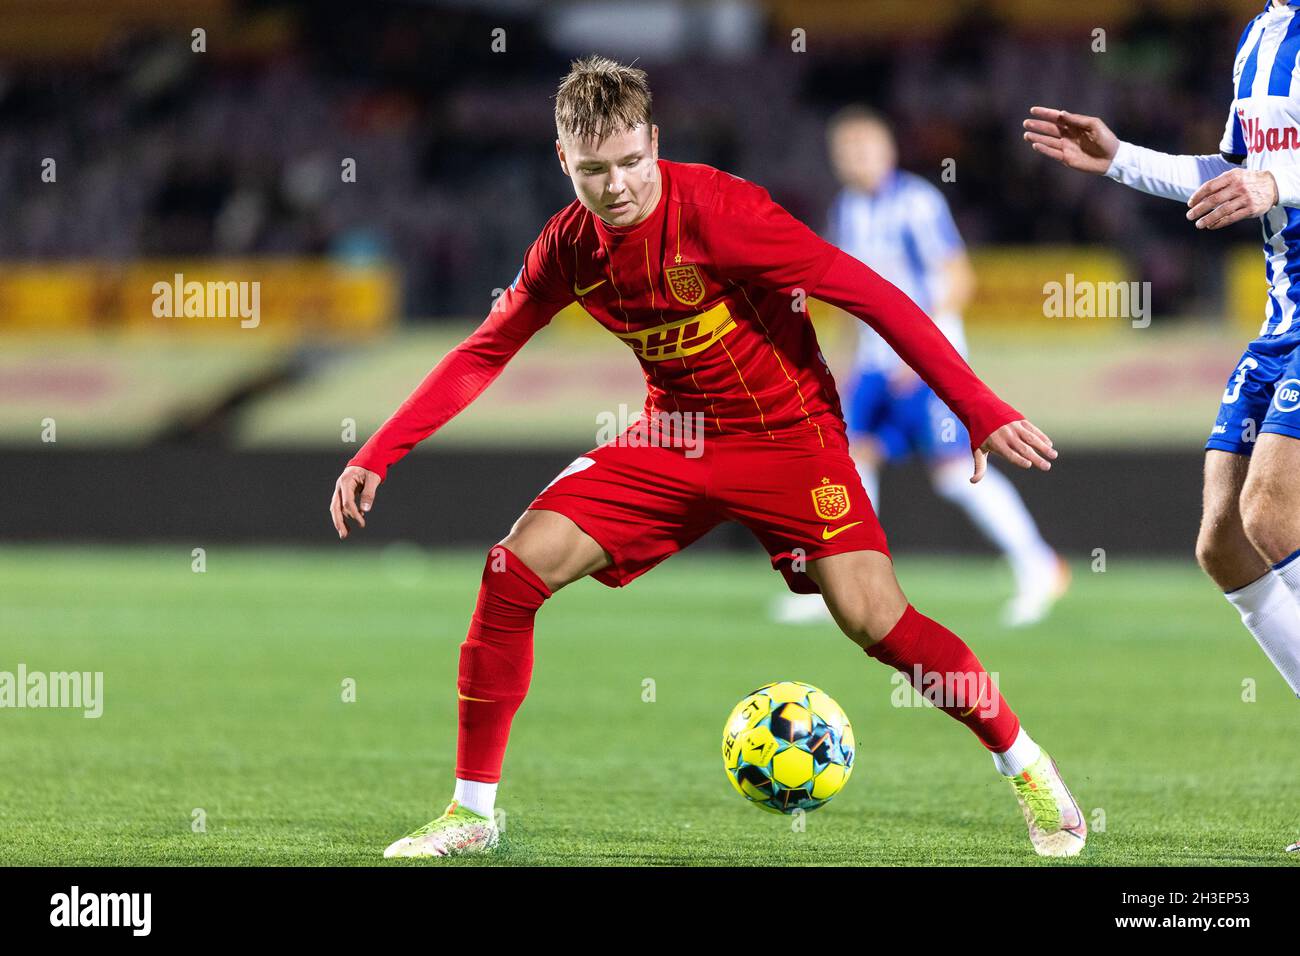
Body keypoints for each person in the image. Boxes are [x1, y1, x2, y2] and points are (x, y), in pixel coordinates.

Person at [331, 55, 1084, 859]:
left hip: (790, 438)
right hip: (674, 438)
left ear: (654, 141)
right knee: (511, 571)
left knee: (876, 622)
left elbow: (871, 293)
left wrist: (975, 404)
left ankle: (1027, 765)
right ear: (563, 161)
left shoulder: (724, 212)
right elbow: (484, 353)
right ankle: (472, 815)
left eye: (631, 163)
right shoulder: (568, 250)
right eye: (594, 171)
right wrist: (379, 449)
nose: (617, 186)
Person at [1023, 0, 1300, 854]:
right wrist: (1119, 161)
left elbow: (1267, 179)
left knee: (1271, 510)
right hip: (1283, 318)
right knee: (1223, 539)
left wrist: (1277, 184)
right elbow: (1228, 172)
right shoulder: (1262, 34)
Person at [775, 107, 1068, 628]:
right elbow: (847, 297)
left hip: (925, 365)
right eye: (845, 150)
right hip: (872, 363)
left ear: (888, 151)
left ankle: (1040, 565)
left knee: (956, 474)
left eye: (864, 147)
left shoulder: (916, 202)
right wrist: (840, 361)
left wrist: (921, 351)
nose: (854, 158)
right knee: (847, 461)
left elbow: (957, 278)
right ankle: (845, 584)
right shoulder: (845, 209)